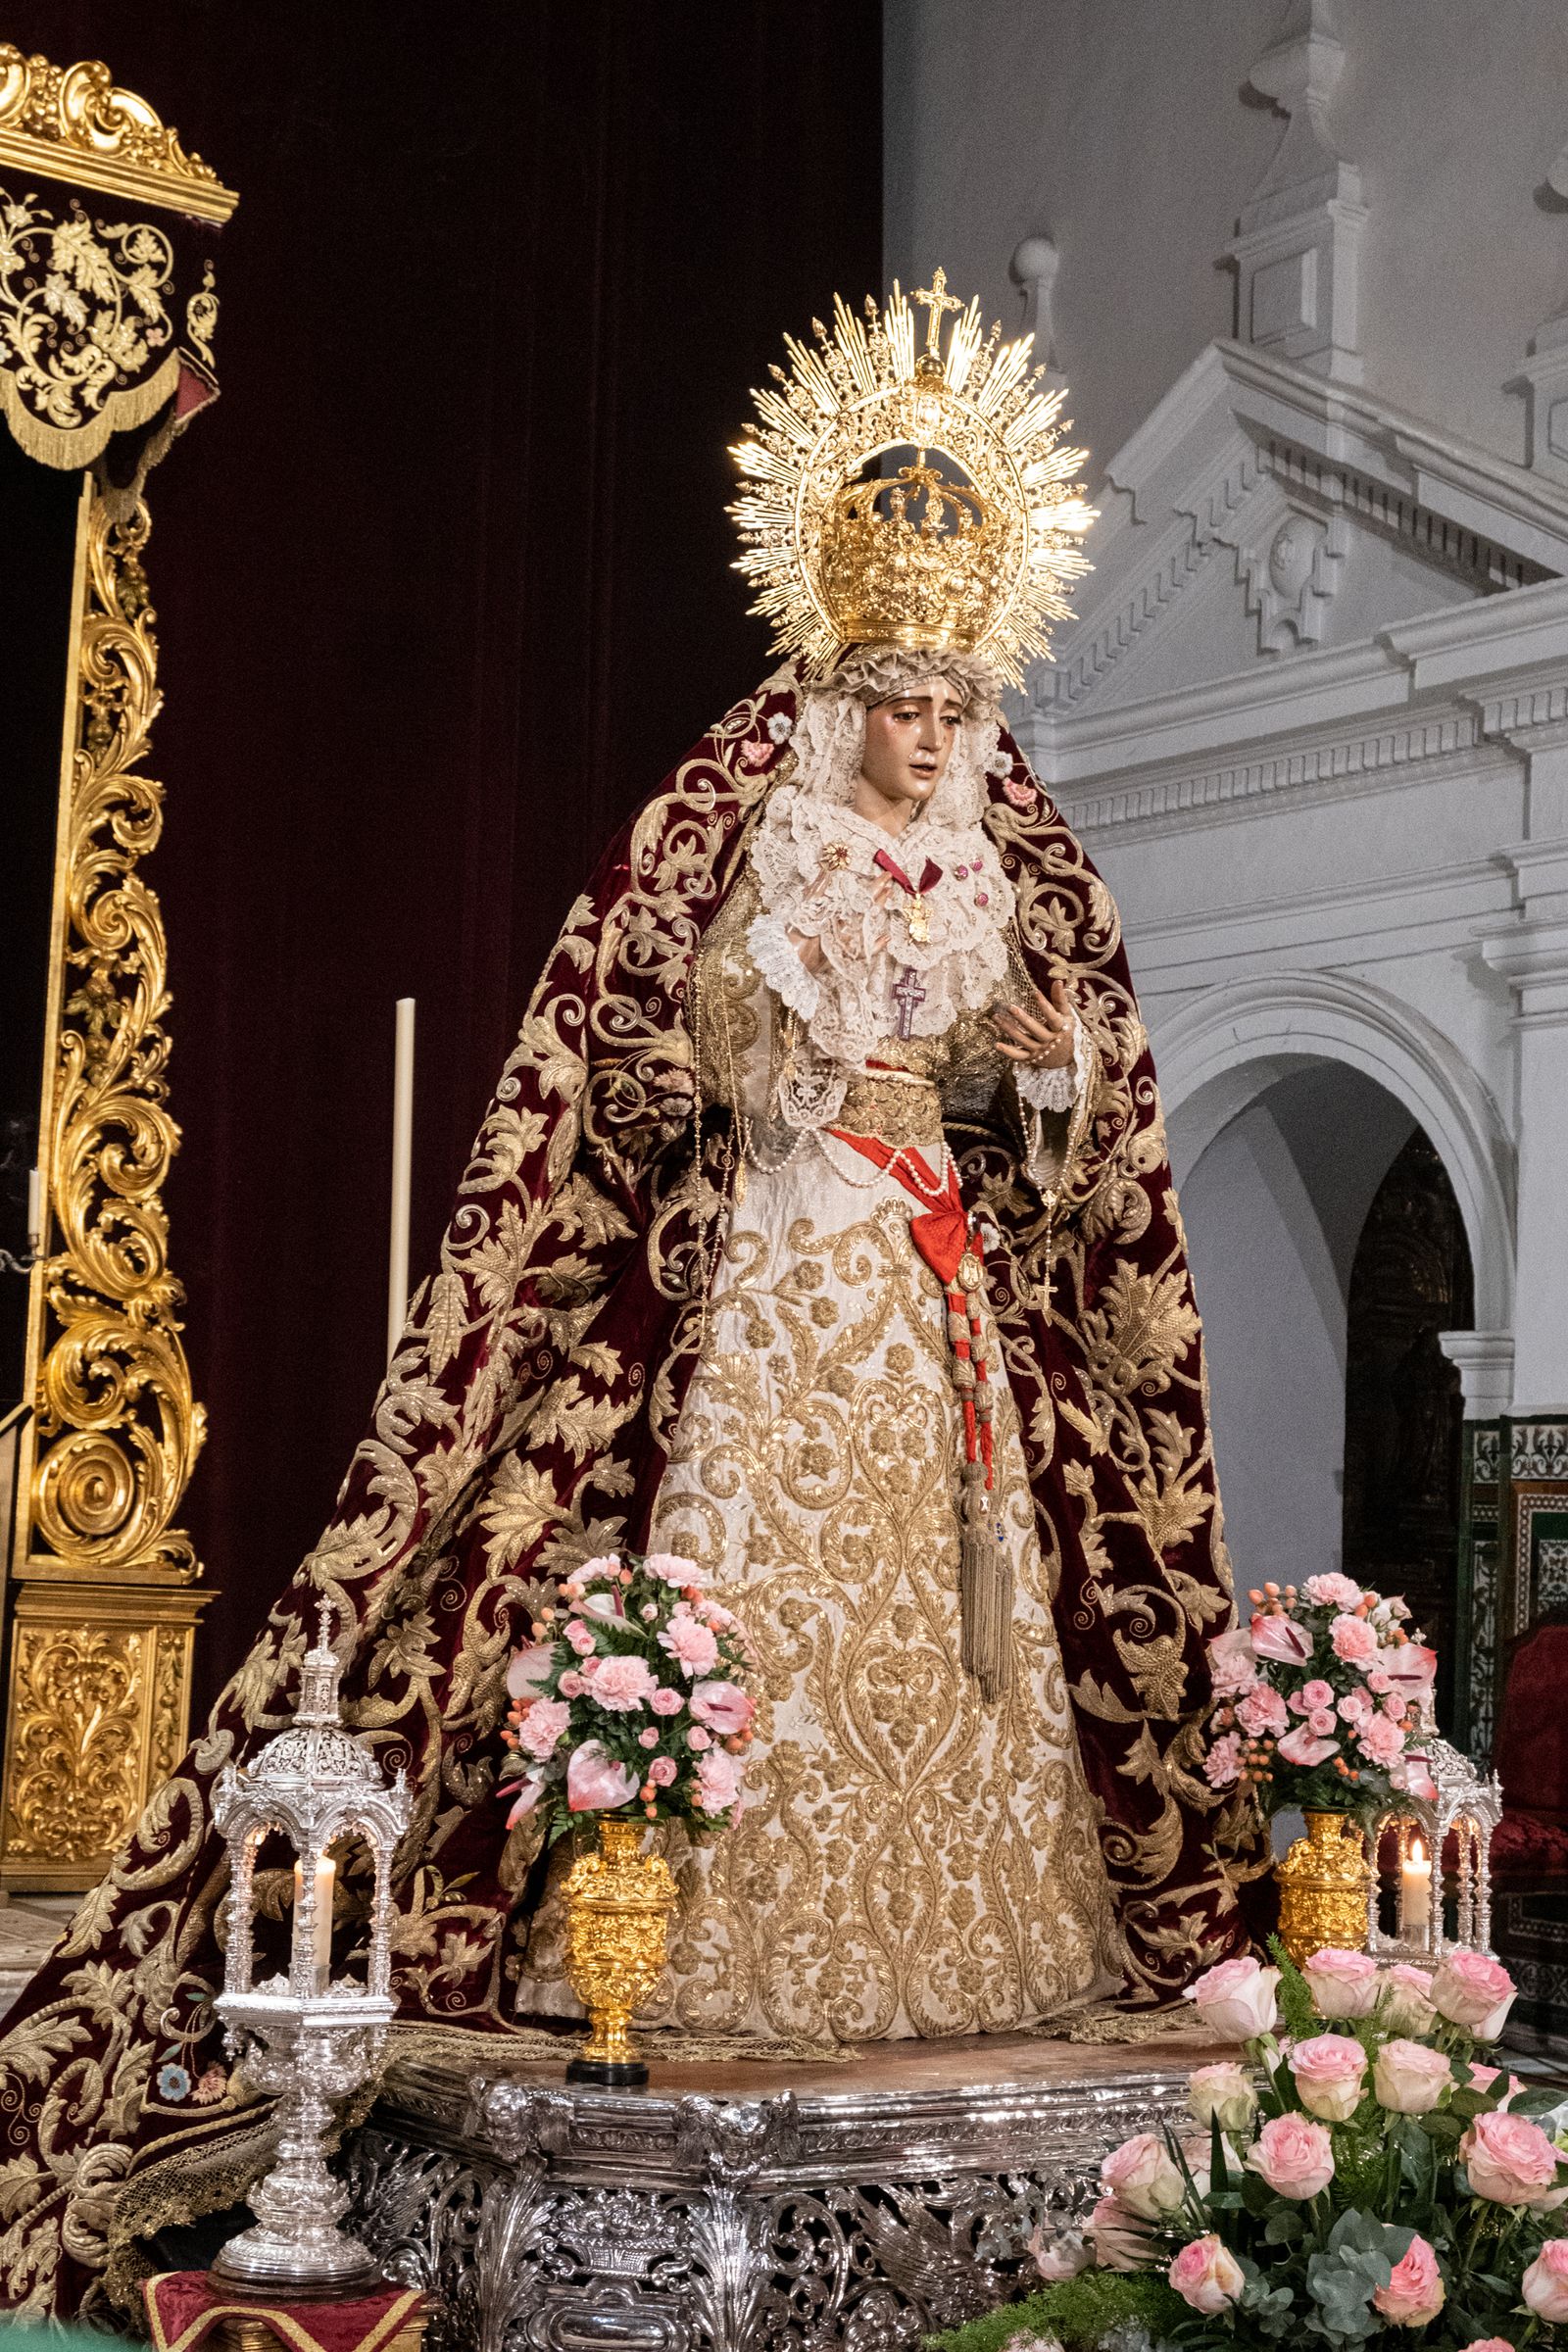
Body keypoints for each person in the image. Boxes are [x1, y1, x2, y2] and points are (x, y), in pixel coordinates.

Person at [0, 275, 1250, 2320]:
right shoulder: (741, 825)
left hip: (933, 1275)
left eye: (952, 691)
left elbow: (1064, 1163)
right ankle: (693, 1941)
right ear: (831, 674)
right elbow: (644, 1060)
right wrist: (766, 1034)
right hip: (780, 1266)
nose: (930, 726)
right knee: (749, 1568)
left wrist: (1030, 1064)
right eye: (897, 690)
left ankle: (964, 1953)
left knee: (967, 1609)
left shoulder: (1017, 859)